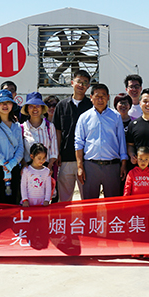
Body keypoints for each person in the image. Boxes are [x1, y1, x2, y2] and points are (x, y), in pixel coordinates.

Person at [75, 84, 129, 199]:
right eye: (97, 96)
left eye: (103, 96)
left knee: (112, 204)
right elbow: (79, 143)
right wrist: (80, 167)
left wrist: (123, 164)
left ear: (108, 97)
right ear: (91, 97)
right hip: (90, 166)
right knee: (90, 204)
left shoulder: (116, 116)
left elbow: (121, 141)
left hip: (112, 166)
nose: (100, 99)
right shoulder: (84, 117)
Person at [53, 70, 93, 202]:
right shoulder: (61, 105)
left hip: (87, 159)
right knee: (64, 199)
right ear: (72, 83)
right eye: (78, 82)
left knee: (87, 199)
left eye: (85, 83)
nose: (81, 85)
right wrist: (57, 152)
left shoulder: (91, 106)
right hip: (66, 158)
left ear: (88, 86)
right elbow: (58, 130)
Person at [0, 89, 24, 205]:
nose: (4, 106)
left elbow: (20, 148)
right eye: (1, 103)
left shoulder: (17, 126)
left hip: (13, 167)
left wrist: (12, 164)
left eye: (8, 102)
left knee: (12, 204)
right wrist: (4, 164)